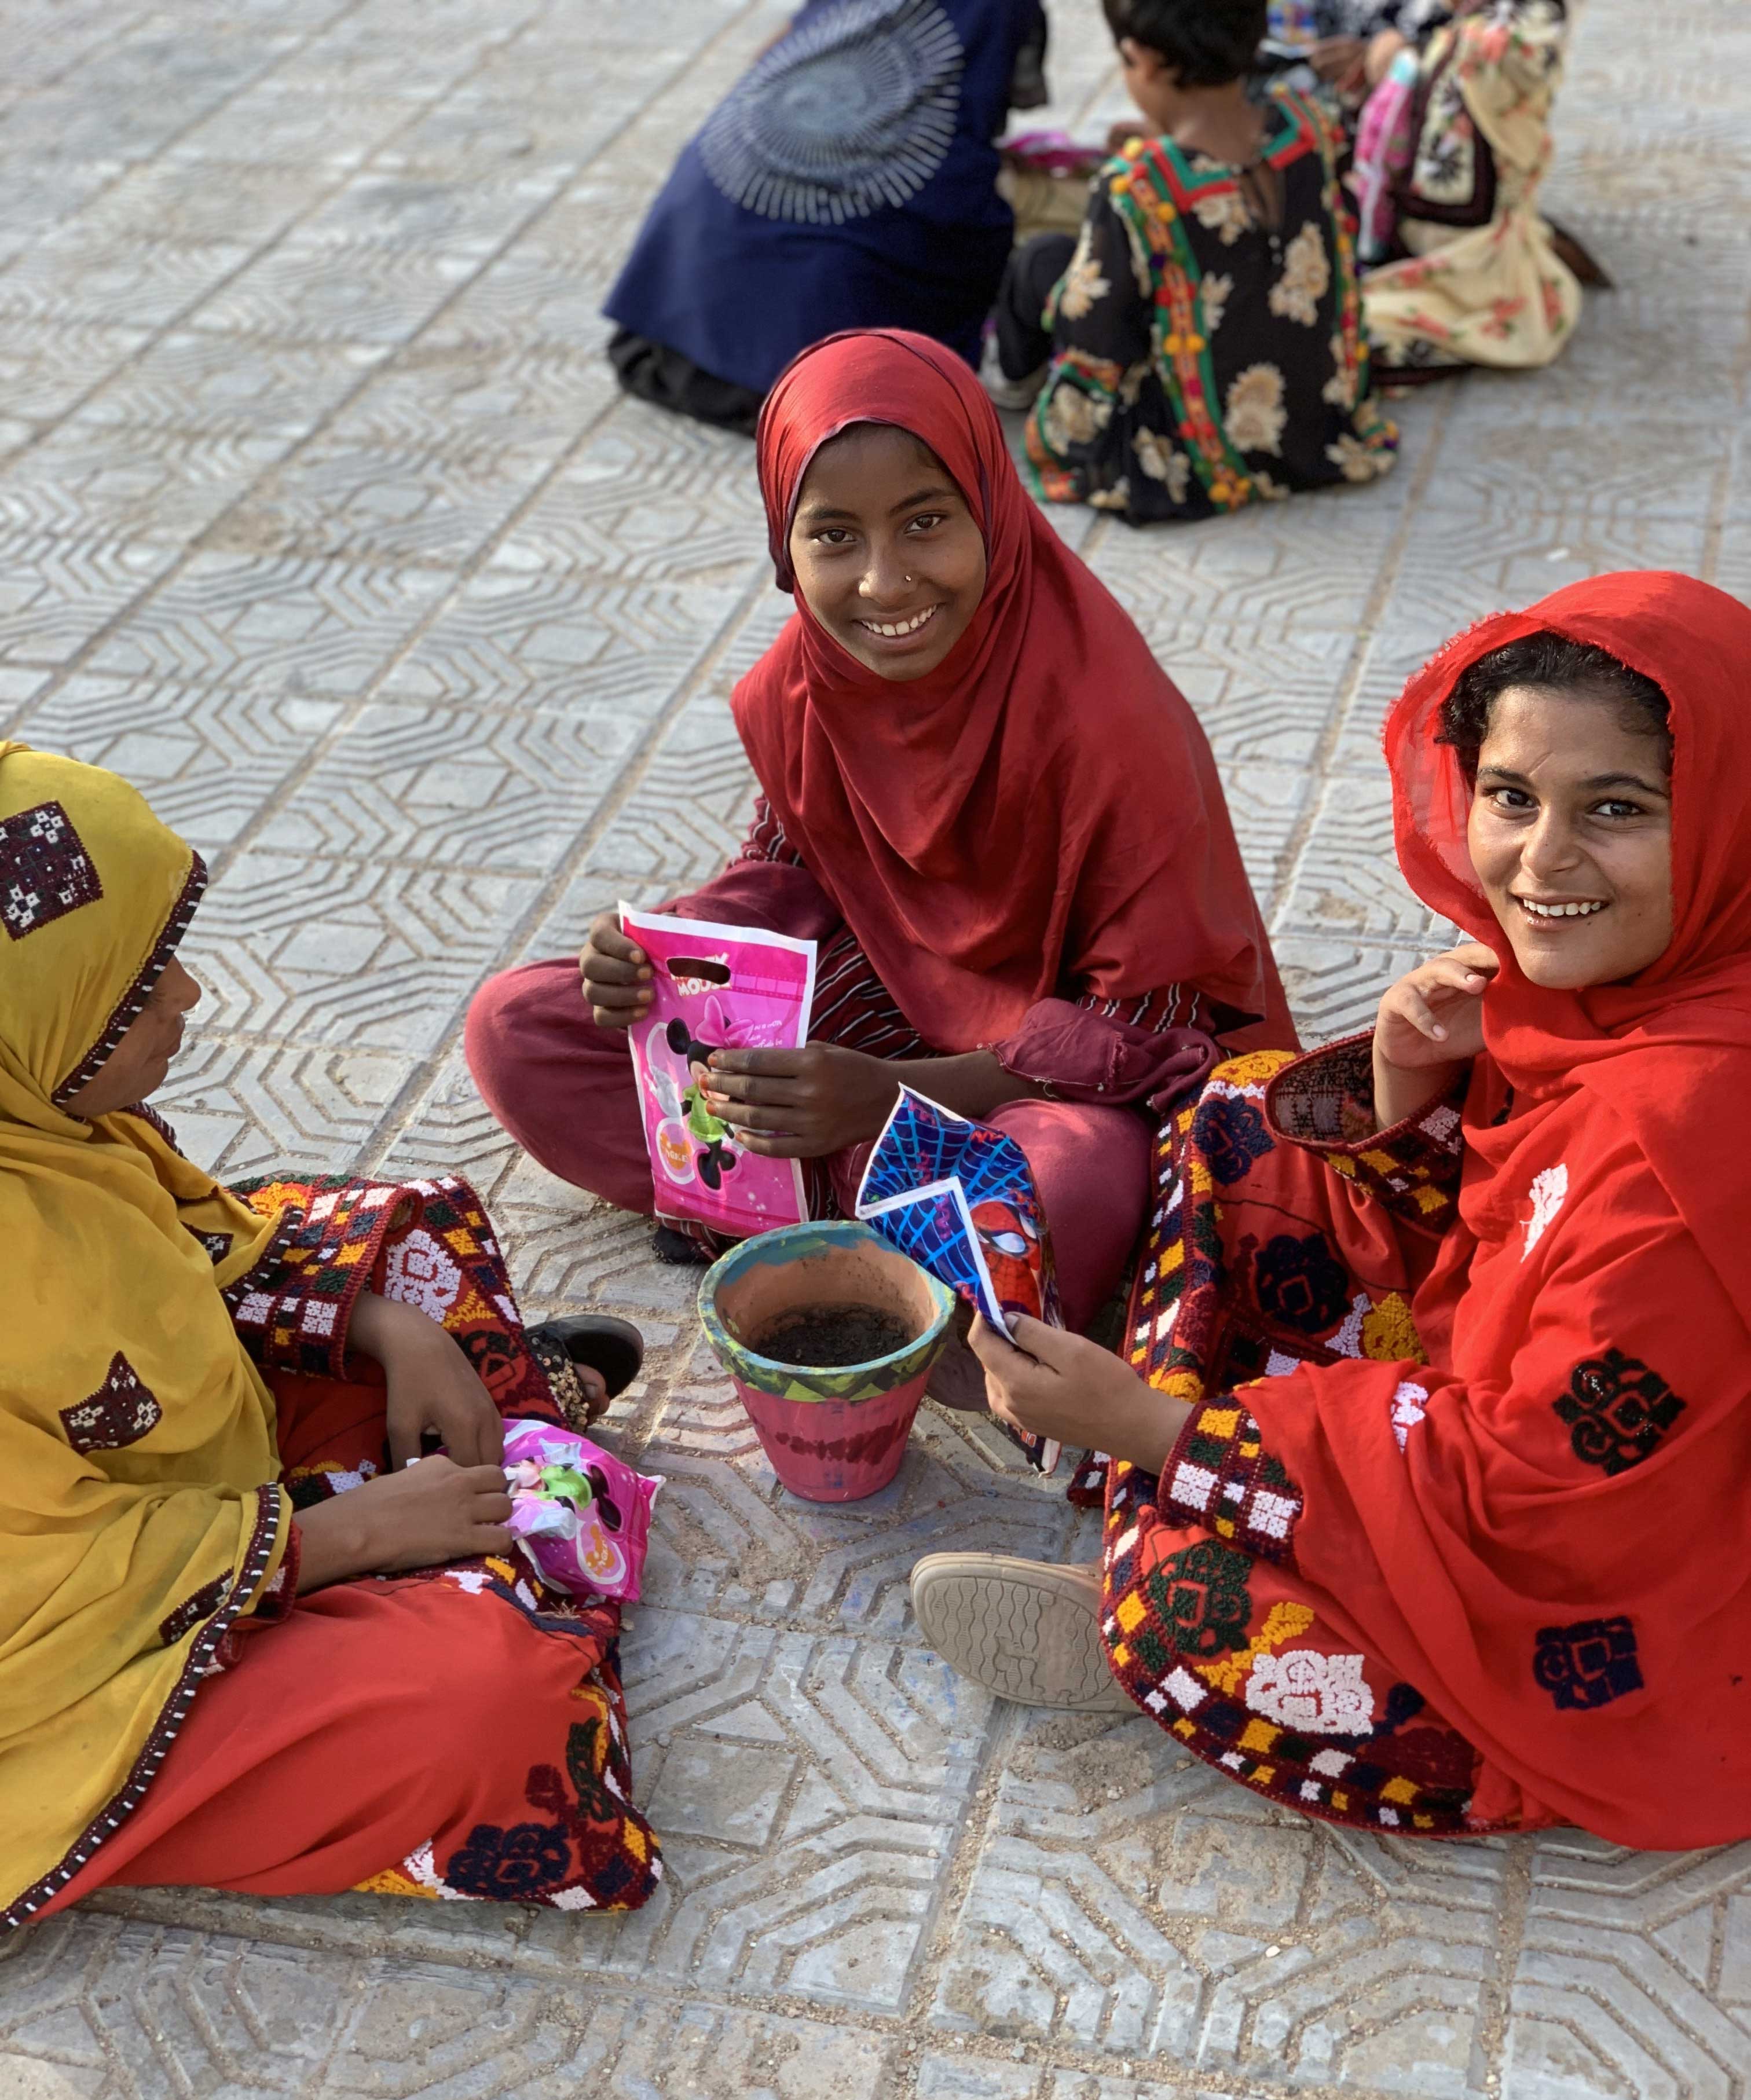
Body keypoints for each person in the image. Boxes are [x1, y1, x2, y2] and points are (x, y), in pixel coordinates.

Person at [911, 570, 1751, 1851]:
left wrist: (1158, 1424)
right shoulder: (1669, 978)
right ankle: (1164, 1465)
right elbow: (1515, 1211)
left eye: (1618, 810)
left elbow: (1532, 1496)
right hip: (1520, 1389)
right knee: (1251, 1114)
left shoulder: (1692, 1138)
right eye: (1512, 797)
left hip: (1618, 1578)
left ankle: (1148, 1498)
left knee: (1180, 1615)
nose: (1544, 859)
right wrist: (1420, 1079)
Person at [467, 329, 1294, 1395]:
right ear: (784, 548)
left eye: (925, 522)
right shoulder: (806, 679)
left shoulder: (1106, 718)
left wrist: (889, 1097)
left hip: (1047, 1073)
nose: (882, 580)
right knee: (516, 1029)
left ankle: (788, 1211)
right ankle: (881, 1245)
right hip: (880, 1036)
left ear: (991, 509)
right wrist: (660, 952)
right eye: (832, 537)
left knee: (1078, 1180)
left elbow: (1150, 1026)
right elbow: (789, 864)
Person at [1, 743, 660, 1927]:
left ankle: (472, 1533)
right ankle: (487, 1546)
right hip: (69, 1681)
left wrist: (385, 1325)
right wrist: (324, 1544)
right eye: (136, 983)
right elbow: (36, 1595)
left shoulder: (37, 1118)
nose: (187, 999)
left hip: (193, 1483)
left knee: (410, 1252)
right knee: (496, 1714)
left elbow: (194, 1254)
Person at [987, 0, 1397, 524]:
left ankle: (1014, 382)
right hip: (1317, 424)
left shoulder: (1138, 184)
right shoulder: (1309, 125)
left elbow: (1096, 332)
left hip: (1195, 457)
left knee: (1043, 262)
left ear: (1144, 60)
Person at [603, 0, 1049, 434]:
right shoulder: (1003, 10)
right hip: (802, 383)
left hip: (662, 330)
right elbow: (976, 122)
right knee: (977, 231)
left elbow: (774, 53)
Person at [1359, 0, 1581, 381]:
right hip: (1419, 209)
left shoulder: (1526, 26)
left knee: (1367, 329)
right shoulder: (1462, 24)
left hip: (1475, 240)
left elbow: (1522, 60)